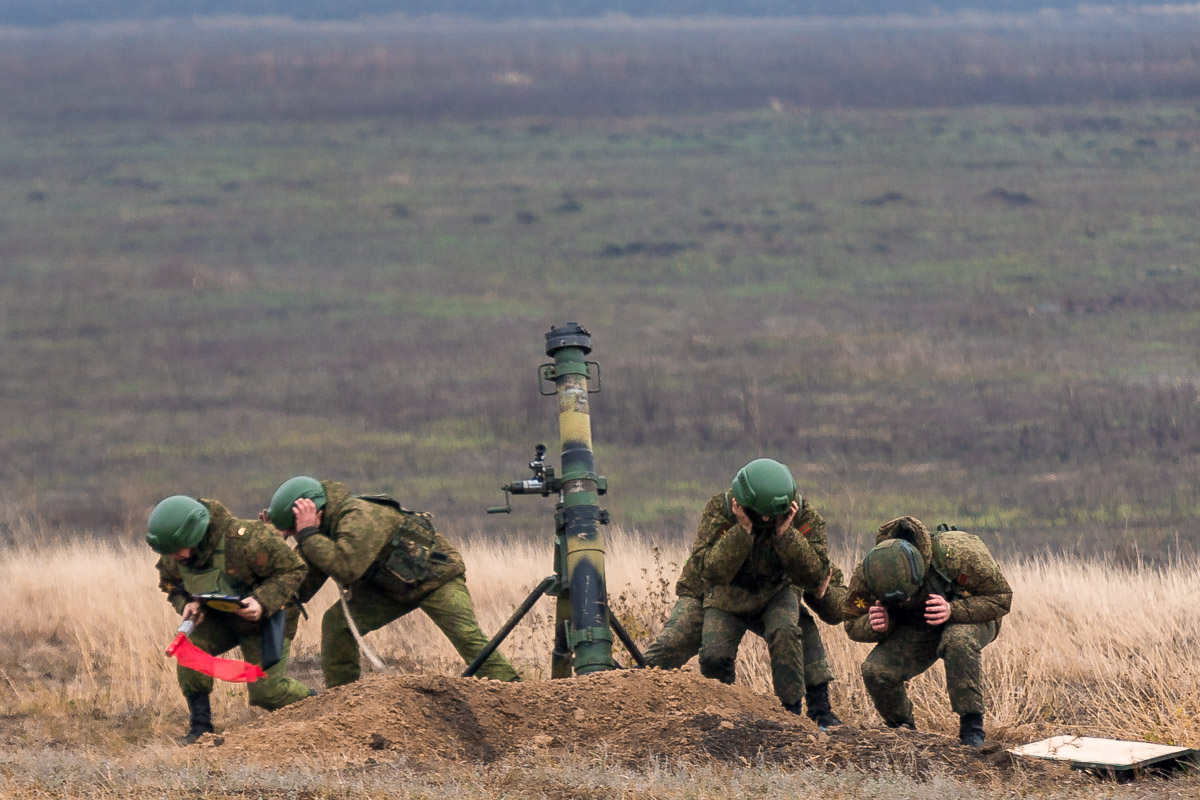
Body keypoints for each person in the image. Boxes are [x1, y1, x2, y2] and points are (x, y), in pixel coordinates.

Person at [265, 476, 519, 687]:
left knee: (466, 635)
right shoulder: (318, 533)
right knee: (337, 625)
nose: (295, 537)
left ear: (314, 513)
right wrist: (271, 545)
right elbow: (298, 587)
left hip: (435, 578)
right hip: (388, 587)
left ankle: (515, 692)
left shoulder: (359, 515)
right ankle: (342, 700)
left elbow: (346, 568)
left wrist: (308, 534)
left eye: (293, 531)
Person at [687, 458, 846, 724]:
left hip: (778, 591)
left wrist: (787, 534)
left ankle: (794, 713)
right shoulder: (721, 509)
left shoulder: (805, 516)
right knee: (714, 654)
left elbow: (816, 573)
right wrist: (743, 530)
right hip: (729, 594)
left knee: (789, 629)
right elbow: (709, 569)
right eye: (761, 515)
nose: (765, 520)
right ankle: (722, 714)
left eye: (771, 516)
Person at [148, 495, 314, 744]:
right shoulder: (175, 552)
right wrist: (188, 603)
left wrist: (262, 601)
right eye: (170, 552)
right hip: (220, 618)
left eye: (179, 549)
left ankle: (319, 703)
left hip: (267, 619)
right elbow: (171, 585)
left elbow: (295, 569)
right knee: (189, 649)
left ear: (197, 533)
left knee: (267, 693)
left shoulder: (248, 539)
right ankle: (200, 727)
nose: (175, 556)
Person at [842, 516, 1013, 747]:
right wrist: (877, 625)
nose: (907, 600)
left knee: (958, 640)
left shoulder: (958, 551)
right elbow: (852, 622)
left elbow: (1001, 598)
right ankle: (904, 733)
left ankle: (971, 729)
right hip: (918, 625)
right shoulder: (869, 573)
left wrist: (953, 610)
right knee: (876, 670)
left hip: (972, 615)